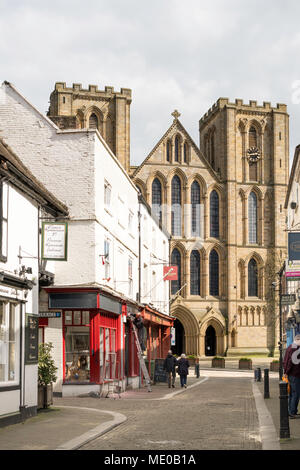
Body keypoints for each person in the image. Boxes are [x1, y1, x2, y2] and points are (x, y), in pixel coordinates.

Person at [283, 334, 300, 418]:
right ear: (298, 340)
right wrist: (286, 372)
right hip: (295, 374)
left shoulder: (290, 347)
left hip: (291, 374)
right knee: (295, 393)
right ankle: (292, 412)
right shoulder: (295, 348)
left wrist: (285, 372)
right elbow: (292, 362)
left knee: (292, 394)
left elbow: (285, 360)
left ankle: (291, 411)